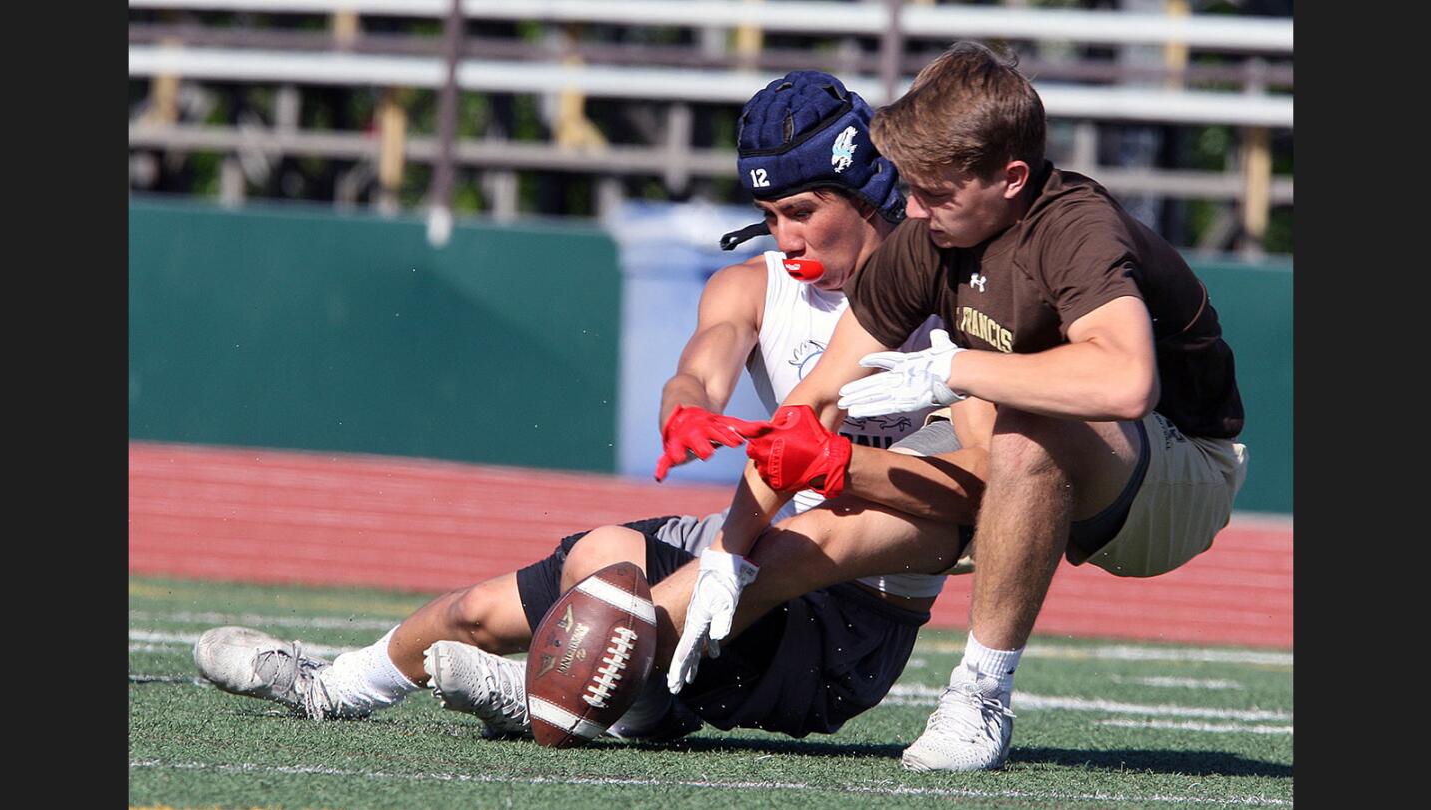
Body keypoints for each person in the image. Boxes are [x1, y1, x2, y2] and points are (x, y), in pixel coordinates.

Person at [193, 69, 989, 742]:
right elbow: (700, 371)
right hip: (753, 551)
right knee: (569, 567)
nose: (783, 239)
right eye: (770, 216)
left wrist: (840, 465)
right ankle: (337, 685)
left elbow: (981, 491)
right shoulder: (752, 288)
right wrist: (685, 411)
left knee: (804, 535)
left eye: (803, 212)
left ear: (868, 189)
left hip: (852, 625)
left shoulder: (960, 302)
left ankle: (550, 691)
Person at [671, 41, 1249, 772]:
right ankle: (638, 663)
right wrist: (730, 548)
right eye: (910, 186)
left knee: (1022, 426)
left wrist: (954, 369)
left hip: (1173, 474)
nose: (912, 209)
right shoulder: (925, 238)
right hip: (1029, 463)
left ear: (1011, 179)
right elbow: (814, 404)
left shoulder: (1075, 228)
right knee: (840, 504)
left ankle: (980, 696)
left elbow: (1127, 381)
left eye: (936, 193)